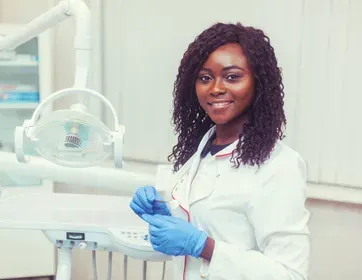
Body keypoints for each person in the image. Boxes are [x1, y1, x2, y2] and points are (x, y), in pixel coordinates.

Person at [130, 22, 310, 280]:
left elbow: (291, 275)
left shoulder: (279, 165)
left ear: (259, 83)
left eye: (232, 76)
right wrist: (166, 215)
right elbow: (211, 225)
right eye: (205, 78)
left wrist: (205, 247)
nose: (215, 88)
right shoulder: (199, 152)